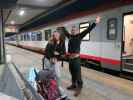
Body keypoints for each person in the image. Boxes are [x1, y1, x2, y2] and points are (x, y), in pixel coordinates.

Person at [62, 16, 101, 96]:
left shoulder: (80, 36)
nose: (73, 31)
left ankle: (79, 88)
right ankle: (73, 85)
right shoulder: (70, 36)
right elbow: (65, 31)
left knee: (78, 74)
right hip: (71, 59)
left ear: (77, 31)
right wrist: (62, 25)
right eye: (72, 30)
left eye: (74, 30)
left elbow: (88, 30)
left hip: (76, 59)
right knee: (72, 73)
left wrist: (95, 23)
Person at [43, 31, 67, 99]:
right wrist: (51, 58)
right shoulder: (51, 42)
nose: (55, 36)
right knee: (51, 75)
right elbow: (46, 52)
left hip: (55, 61)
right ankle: (51, 90)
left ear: (59, 35)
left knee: (58, 75)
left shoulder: (62, 42)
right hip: (48, 60)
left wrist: (58, 55)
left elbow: (64, 53)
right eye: (54, 35)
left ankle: (57, 88)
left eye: (56, 35)